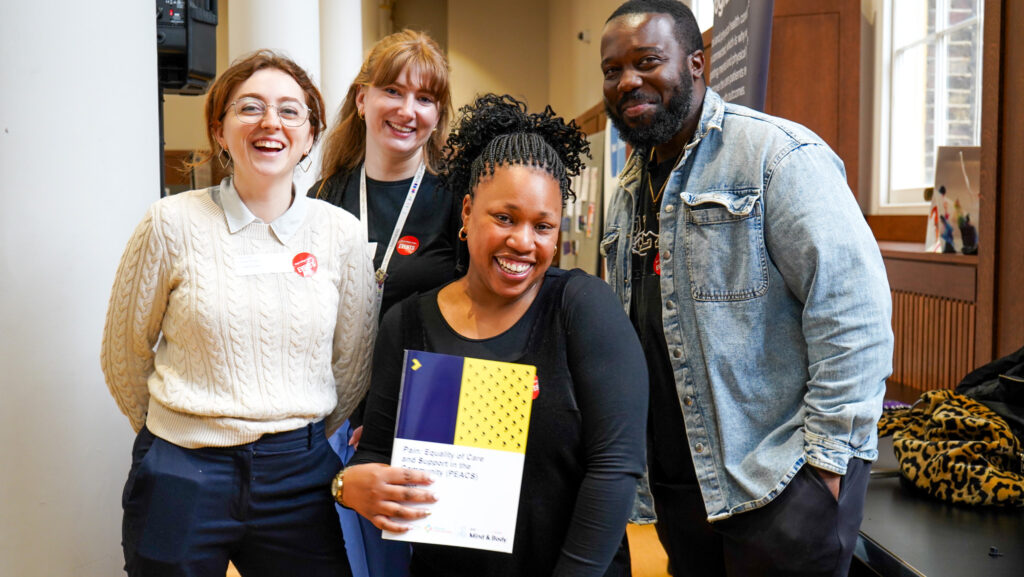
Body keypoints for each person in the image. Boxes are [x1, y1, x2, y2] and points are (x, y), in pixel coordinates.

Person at [599, 1, 894, 576]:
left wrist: (826, 468)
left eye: (648, 61)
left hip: (781, 483)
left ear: (697, 64)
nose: (628, 80)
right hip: (685, 488)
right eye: (613, 70)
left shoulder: (777, 155)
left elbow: (853, 316)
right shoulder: (630, 188)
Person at [336, 94, 648, 577]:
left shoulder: (581, 309)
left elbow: (615, 467)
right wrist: (350, 484)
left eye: (542, 226)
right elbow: (377, 455)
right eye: (505, 218)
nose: (522, 242)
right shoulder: (408, 324)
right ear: (466, 212)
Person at [100, 50, 377, 577]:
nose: (271, 122)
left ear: (310, 135)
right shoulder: (169, 223)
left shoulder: (339, 233)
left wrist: (292, 430)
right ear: (219, 130)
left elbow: (352, 363)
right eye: (250, 107)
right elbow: (124, 354)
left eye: (290, 111)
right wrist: (179, 432)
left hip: (299, 475)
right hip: (182, 469)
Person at [310, 29, 461, 577]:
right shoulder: (324, 199)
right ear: (362, 99)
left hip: (424, 417)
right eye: (392, 91)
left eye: (425, 98)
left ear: (438, 115)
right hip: (332, 420)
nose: (407, 110)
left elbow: (469, 320)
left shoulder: (455, 199)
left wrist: (390, 416)